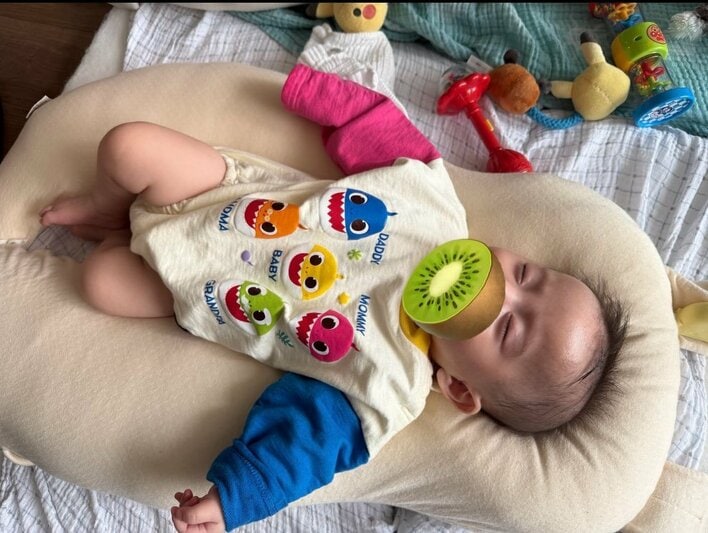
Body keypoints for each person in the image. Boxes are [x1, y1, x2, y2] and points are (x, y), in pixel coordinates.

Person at [39, 64, 627, 533]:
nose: (500, 290)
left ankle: (118, 237)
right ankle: (105, 208)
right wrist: (320, 94)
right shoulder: (437, 213)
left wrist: (235, 497)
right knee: (128, 146)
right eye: (525, 274)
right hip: (221, 192)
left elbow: (305, 446)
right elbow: (385, 133)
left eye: (506, 329)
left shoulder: (389, 383)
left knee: (102, 283)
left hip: (194, 292)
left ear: (459, 389)